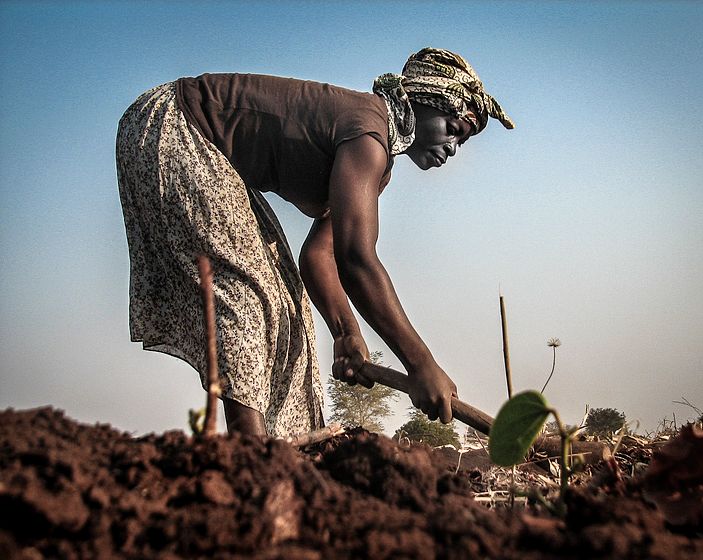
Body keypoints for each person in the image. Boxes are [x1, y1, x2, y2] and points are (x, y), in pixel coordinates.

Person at [116, 47, 514, 438]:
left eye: (461, 142)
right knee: (251, 295)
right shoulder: (368, 133)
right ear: (426, 102)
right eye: (454, 129)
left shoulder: (376, 159)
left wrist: (346, 332)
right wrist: (421, 364)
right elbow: (356, 258)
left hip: (190, 138)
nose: (452, 148)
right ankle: (250, 453)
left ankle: (282, 449)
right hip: (177, 123)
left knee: (291, 308)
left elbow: (319, 256)